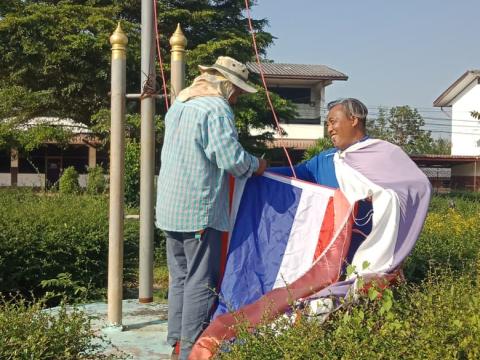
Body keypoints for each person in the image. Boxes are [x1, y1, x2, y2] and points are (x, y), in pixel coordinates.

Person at [155, 56, 267, 360]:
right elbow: (230, 159)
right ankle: (191, 351)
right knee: (200, 281)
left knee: (179, 277)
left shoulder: (181, 102)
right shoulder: (217, 108)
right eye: (239, 93)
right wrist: (257, 165)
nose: (238, 99)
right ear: (229, 85)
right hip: (198, 208)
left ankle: (176, 342)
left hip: (169, 206)